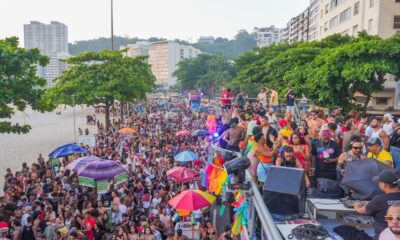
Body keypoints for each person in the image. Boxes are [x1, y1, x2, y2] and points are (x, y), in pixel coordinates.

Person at [354, 170, 400, 239]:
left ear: (384, 184)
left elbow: (363, 210)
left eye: (379, 182)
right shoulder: (378, 200)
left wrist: (356, 206)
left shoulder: (379, 199)